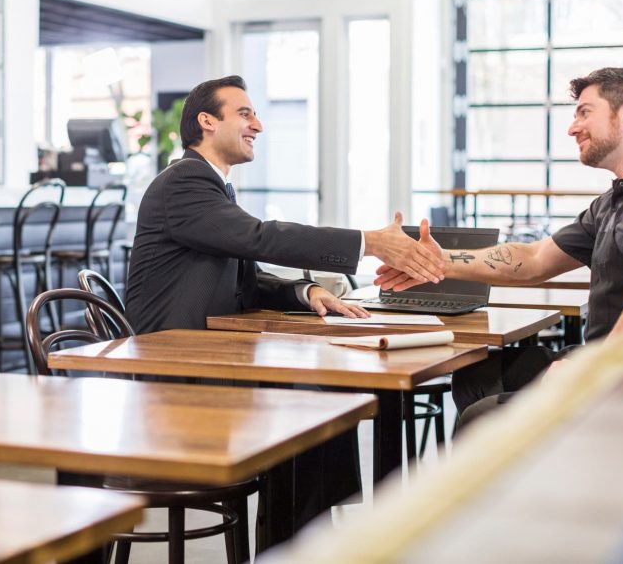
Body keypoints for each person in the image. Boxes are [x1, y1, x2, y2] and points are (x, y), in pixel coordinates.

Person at [125, 74, 446, 532]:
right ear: (206, 122)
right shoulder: (185, 184)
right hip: (176, 377)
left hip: (209, 360)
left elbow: (245, 276)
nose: (258, 124)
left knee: (325, 398)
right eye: (244, 113)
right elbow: (259, 238)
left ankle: (302, 540)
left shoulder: (211, 188)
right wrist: (368, 242)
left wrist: (306, 291)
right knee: (312, 405)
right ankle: (298, 544)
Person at [375, 67, 623, 421]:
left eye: (585, 112)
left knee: (481, 416)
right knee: (475, 377)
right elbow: (536, 257)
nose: (572, 127)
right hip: (605, 360)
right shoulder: (616, 200)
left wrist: (596, 367)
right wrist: (443, 261)